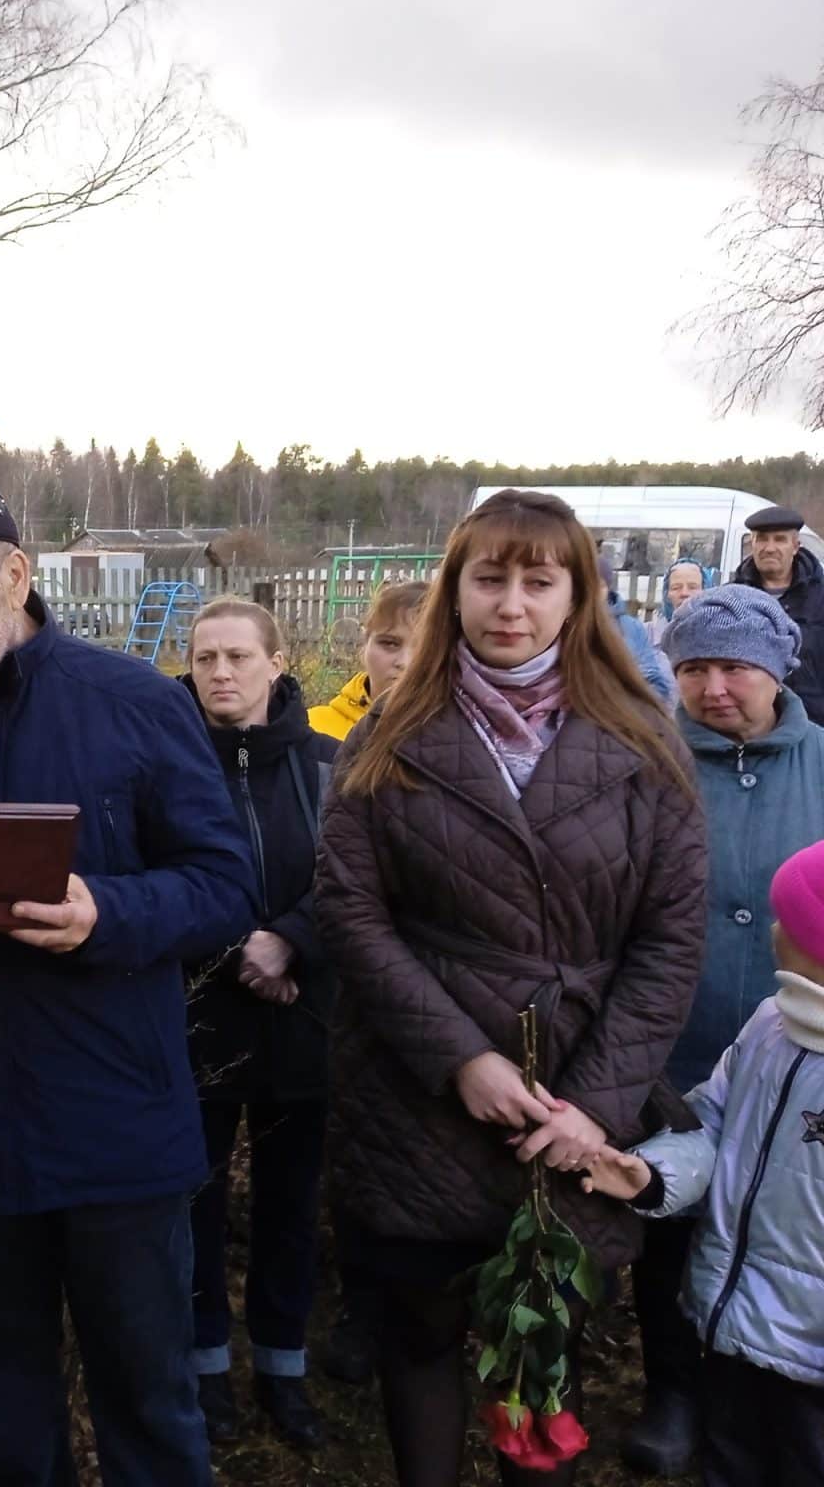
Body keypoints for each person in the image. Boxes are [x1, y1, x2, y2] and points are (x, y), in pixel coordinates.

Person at [0, 474, 259, 1487]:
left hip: (114, 1121)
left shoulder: (135, 704)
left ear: (14, 574)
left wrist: (102, 914)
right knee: (1, 1396)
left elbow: (224, 885)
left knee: (148, 1400)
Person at [315, 489, 707, 1487]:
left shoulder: (641, 744)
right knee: (420, 1346)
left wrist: (595, 1109)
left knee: (544, 1361)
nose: (510, 604)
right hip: (416, 1107)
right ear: (455, 589)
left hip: (575, 1103)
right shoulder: (386, 740)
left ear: (577, 596)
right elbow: (352, 916)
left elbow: (667, 939)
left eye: (538, 580)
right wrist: (460, 1059)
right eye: (488, 577)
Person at [620, 582, 824, 1476]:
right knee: (669, 1218)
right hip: (675, 1037)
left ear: (775, 671)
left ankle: (777, 1389)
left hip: (803, 1049)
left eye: (735, 668)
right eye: (694, 667)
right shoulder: (646, 764)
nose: (713, 688)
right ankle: (673, 1387)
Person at [582, 837, 824, 1487]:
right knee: (732, 1459)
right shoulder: (770, 1027)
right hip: (735, 1323)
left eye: (788, 921)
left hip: (813, 1355)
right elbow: (713, 1122)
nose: (773, 930)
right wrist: (652, 1173)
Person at [178, 600, 339, 1451]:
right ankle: (205, 1369)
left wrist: (293, 943)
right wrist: (246, 947)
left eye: (239, 656)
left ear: (278, 664)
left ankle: (283, 1364)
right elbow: (157, 873)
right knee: (195, 1203)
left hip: (303, 1021)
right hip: (198, 1021)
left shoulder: (328, 767)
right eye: (205, 658)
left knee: (289, 1203)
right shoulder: (166, 764)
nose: (221, 674)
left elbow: (358, 879)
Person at [305, 576, 428, 1386]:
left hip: (440, 973)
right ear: (364, 651)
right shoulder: (321, 733)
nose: (403, 660)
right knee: (356, 1144)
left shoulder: (469, 730)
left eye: (421, 643)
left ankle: (425, 1309)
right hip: (340, 973)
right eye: (388, 643)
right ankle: (358, 1305)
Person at [733, 504, 824, 724]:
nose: (770, 547)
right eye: (762, 539)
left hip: (814, 727)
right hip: (751, 730)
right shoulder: (733, 598)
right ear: (751, 545)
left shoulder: (820, 597)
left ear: (795, 546)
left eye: (780, 539)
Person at [308, 579, 428, 742]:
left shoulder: (463, 739)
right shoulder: (313, 728)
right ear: (365, 646)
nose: (405, 662)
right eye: (390, 643)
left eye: (424, 649)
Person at [598, 551, 676, 703]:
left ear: (608, 588)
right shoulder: (557, 624)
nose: (590, 592)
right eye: (583, 585)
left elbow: (653, 683)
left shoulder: (630, 628)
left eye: (599, 585)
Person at [648, 558, 708, 654]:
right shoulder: (647, 635)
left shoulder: (717, 637)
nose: (684, 593)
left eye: (692, 587)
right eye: (676, 588)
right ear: (666, 594)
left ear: (706, 591)